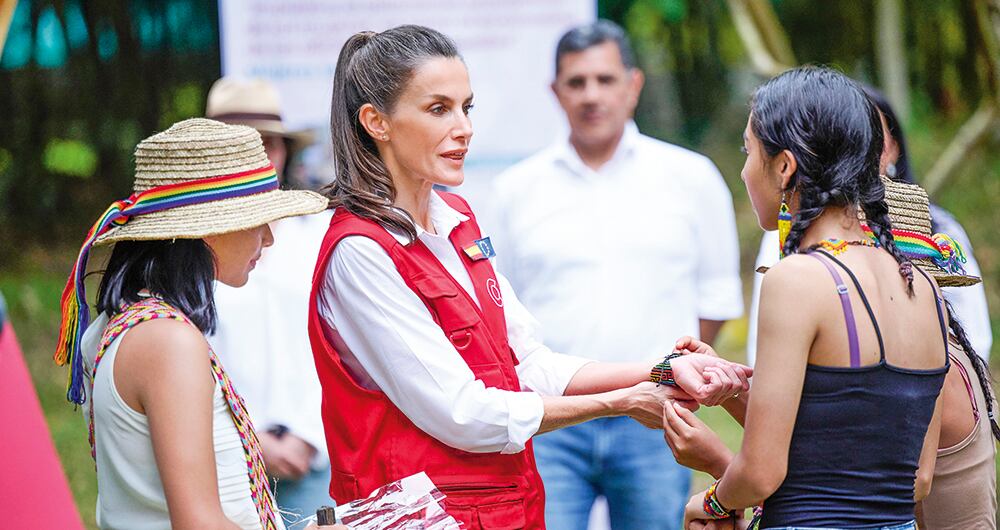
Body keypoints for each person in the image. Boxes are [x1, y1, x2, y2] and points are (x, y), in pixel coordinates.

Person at [307, 25, 752, 529]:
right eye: (438, 109)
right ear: (376, 122)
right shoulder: (361, 252)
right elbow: (463, 413)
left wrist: (660, 370)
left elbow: (526, 360)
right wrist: (620, 401)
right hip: (420, 516)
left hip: (501, 506)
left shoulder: (457, 220)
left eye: (466, 107)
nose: (463, 127)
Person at [667, 67, 949, 529]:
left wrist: (714, 499)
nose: (742, 170)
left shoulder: (797, 280)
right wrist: (739, 392)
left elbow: (761, 472)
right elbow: (916, 478)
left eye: (748, 151)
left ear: (784, 166)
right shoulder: (923, 285)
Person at [490, 20, 744, 530]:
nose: (591, 95)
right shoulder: (514, 190)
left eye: (605, 80)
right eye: (576, 82)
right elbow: (499, 310)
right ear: (554, 91)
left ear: (633, 85)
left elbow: (715, 300)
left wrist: (669, 379)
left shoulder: (690, 178)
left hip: (657, 417)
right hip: (553, 419)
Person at [53, 118, 344, 529]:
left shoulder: (124, 324)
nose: (269, 237)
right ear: (207, 228)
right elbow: (199, 523)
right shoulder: (167, 340)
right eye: (255, 219)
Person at [747, 90, 992, 364]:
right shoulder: (784, 234)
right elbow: (765, 347)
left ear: (895, 147)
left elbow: (975, 339)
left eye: (870, 132)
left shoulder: (942, 232)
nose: (859, 145)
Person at [205, 77, 335, 524]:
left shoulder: (320, 237)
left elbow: (342, 349)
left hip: (316, 459)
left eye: (269, 144)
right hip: (223, 464)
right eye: (243, 145)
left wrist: (307, 437)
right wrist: (248, 440)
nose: (260, 157)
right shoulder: (187, 254)